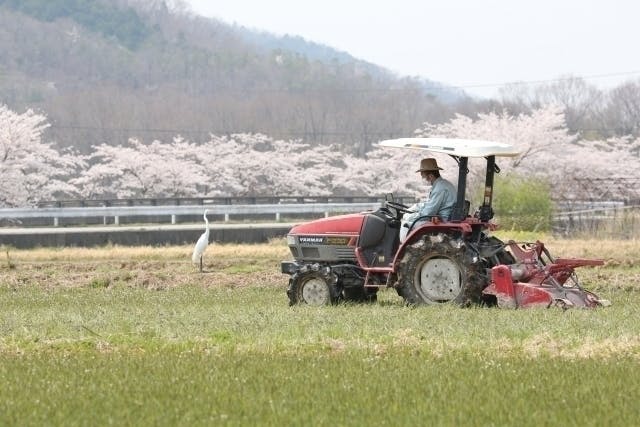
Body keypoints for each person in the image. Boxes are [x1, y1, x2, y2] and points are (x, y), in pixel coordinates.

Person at [400, 158, 457, 241]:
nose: (425, 180)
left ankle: (403, 249)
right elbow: (429, 205)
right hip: (442, 217)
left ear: (430, 176)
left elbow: (429, 212)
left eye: (424, 177)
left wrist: (408, 216)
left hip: (442, 220)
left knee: (405, 223)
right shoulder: (443, 184)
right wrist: (416, 207)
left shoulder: (439, 188)